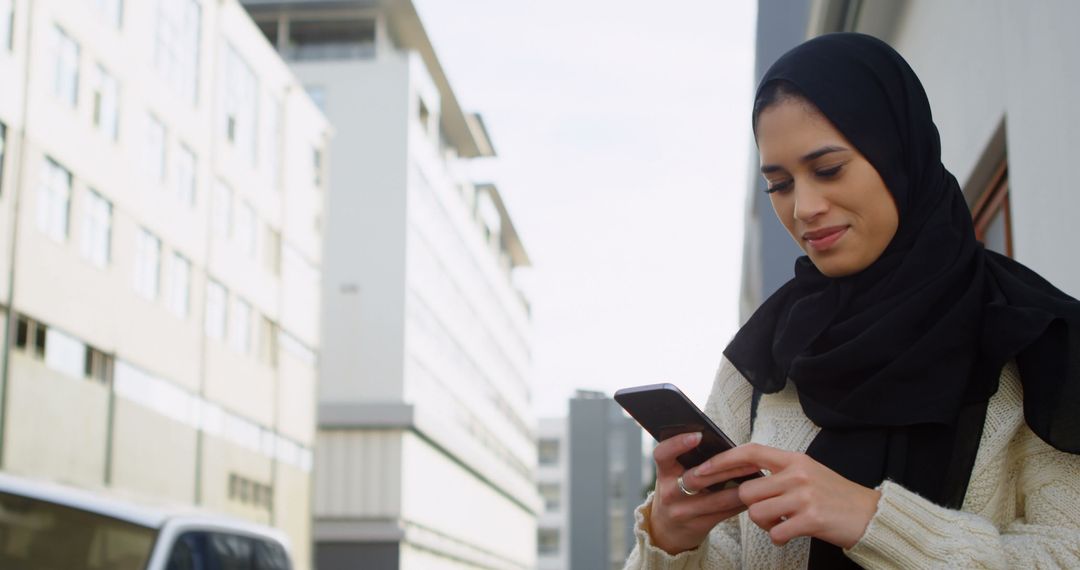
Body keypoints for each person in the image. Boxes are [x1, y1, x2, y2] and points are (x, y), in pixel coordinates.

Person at [624, 33, 1080, 569]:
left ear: (898, 154)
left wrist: (872, 520)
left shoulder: (1037, 342)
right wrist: (672, 542)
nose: (804, 208)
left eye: (828, 169)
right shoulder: (764, 354)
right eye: (780, 184)